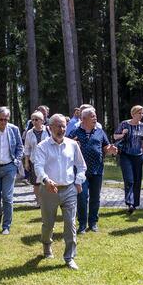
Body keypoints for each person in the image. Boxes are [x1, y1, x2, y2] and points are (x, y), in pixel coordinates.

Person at [33, 114, 86, 270]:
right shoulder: (42, 146)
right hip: (49, 189)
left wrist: (78, 181)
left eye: (63, 126)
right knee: (48, 223)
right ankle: (46, 244)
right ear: (50, 128)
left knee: (70, 224)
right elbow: (38, 167)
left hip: (69, 188)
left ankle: (69, 257)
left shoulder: (72, 145)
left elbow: (81, 166)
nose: (61, 129)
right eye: (57, 126)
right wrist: (46, 180)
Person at [69, 106, 117, 233]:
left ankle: (93, 222)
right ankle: (82, 224)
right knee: (82, 196)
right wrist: (72, 144)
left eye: (95, 116)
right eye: (92, 116)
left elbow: (106, 147)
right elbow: (66, 146)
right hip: (80, 171)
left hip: (97, 170)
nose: (95, 118)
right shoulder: (75, 132)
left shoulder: (100, 132)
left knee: (95, 197)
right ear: (83, 119)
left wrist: (110, 150)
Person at [113, 105, 143, 214]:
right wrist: (123, 134)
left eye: (142, 113)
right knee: (129, 179)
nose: (141, 115)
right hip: (126, 155)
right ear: (133, 114)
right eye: (139, 113)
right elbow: (115, 136)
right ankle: (130, 203)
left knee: (137, 180)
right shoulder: (124, 124)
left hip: (138, 156)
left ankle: (135, 203)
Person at [23, 111, 50, 206]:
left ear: (42, 120)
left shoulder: (48, 130)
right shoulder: (29, 133)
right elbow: (27, 148)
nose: (34, 121)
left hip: (48, 160)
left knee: (47, 180)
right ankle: (39, 202)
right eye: (32, 120)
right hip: (34, 161)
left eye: (36, 119)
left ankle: (48, 201)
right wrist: (26, 162)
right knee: (36, 183)